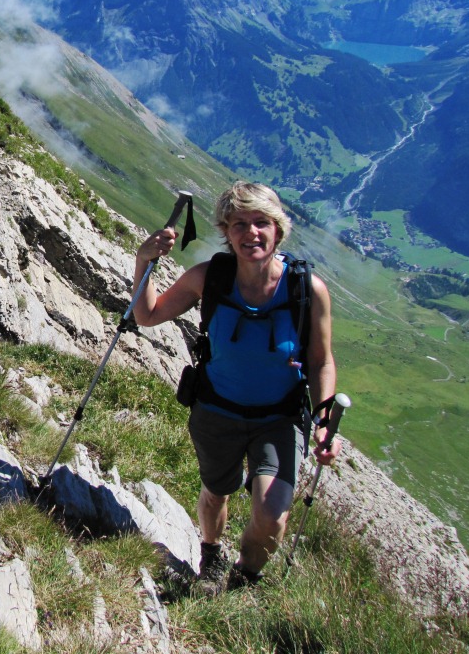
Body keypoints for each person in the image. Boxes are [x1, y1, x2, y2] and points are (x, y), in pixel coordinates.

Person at [133, 181, 341, 594]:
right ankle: (211, 554)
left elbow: (321, 361)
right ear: (226, 232)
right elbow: (148, 314)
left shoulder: (306, 289)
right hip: (217, 410)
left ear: (278, 229)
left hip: (279, 418)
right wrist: (144, 260)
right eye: (239, 224)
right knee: (216, 493)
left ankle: (243, 576)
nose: (251, 233)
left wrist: (324, 419)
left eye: (261, 222)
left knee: (272, 514)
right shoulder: (209, 278)